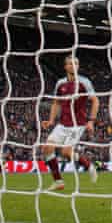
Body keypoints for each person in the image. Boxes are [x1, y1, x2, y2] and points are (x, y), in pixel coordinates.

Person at [40, 56, 99, 191]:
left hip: (78, 123)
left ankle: (89, 165)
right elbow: (56, 102)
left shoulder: (85, 82)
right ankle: (58, 181)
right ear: (65, 67)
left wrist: (91, 121)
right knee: (47, 148)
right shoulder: (60, 83)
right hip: (62, 123)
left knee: (66, 152)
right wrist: (51, 120)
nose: (74, 66)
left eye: (76, 63)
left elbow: (95, 101)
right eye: (70, 64)